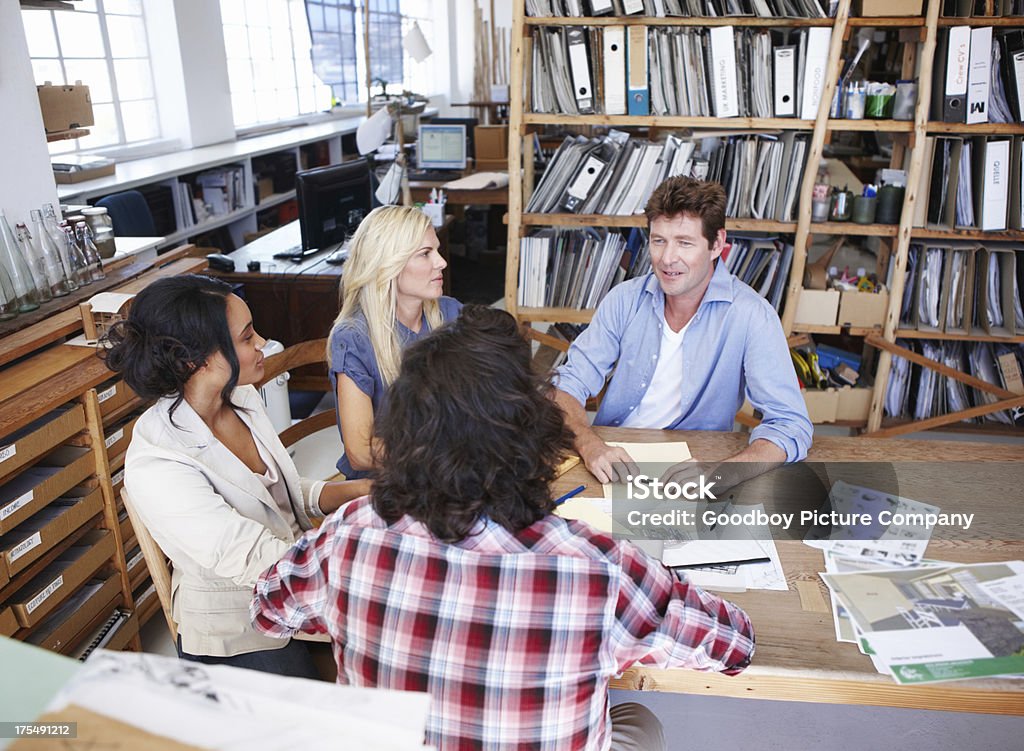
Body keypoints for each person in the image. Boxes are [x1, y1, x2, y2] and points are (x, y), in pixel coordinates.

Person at [253, 305, 755, 750]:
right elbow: (734, 644)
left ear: (404, 432)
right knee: (638, 721)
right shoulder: (598, 568)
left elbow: (270, 610)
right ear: (531, 433)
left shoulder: (349, 534)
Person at [102, 275, 370, 677]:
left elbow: (278, 491)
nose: (262, 342)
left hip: (293, 579)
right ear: (197, 360)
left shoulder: (240, 398)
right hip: (240, 632)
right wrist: (369, 566)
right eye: (247, 338)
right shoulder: (158, 460)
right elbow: (252, 557)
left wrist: (361, 491)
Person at [553, 176, 812, 485]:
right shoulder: (624, 300)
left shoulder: (752, 315)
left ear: (717, 244)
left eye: (684, 243)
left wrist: (722, 473)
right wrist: (589, 443)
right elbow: (567, 386)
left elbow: (790, 424)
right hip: (611, 464)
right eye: (658, 240)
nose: (666, 258)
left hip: (698, 467)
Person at [327, 204, 461, 479]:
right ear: (388, 264)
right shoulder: (353, 338)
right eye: (425, 254)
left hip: (450, 474)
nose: (442, 262)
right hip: (388, 486)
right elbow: (361, 452)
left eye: (435, 250)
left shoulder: (452, 313)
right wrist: (454, 452)